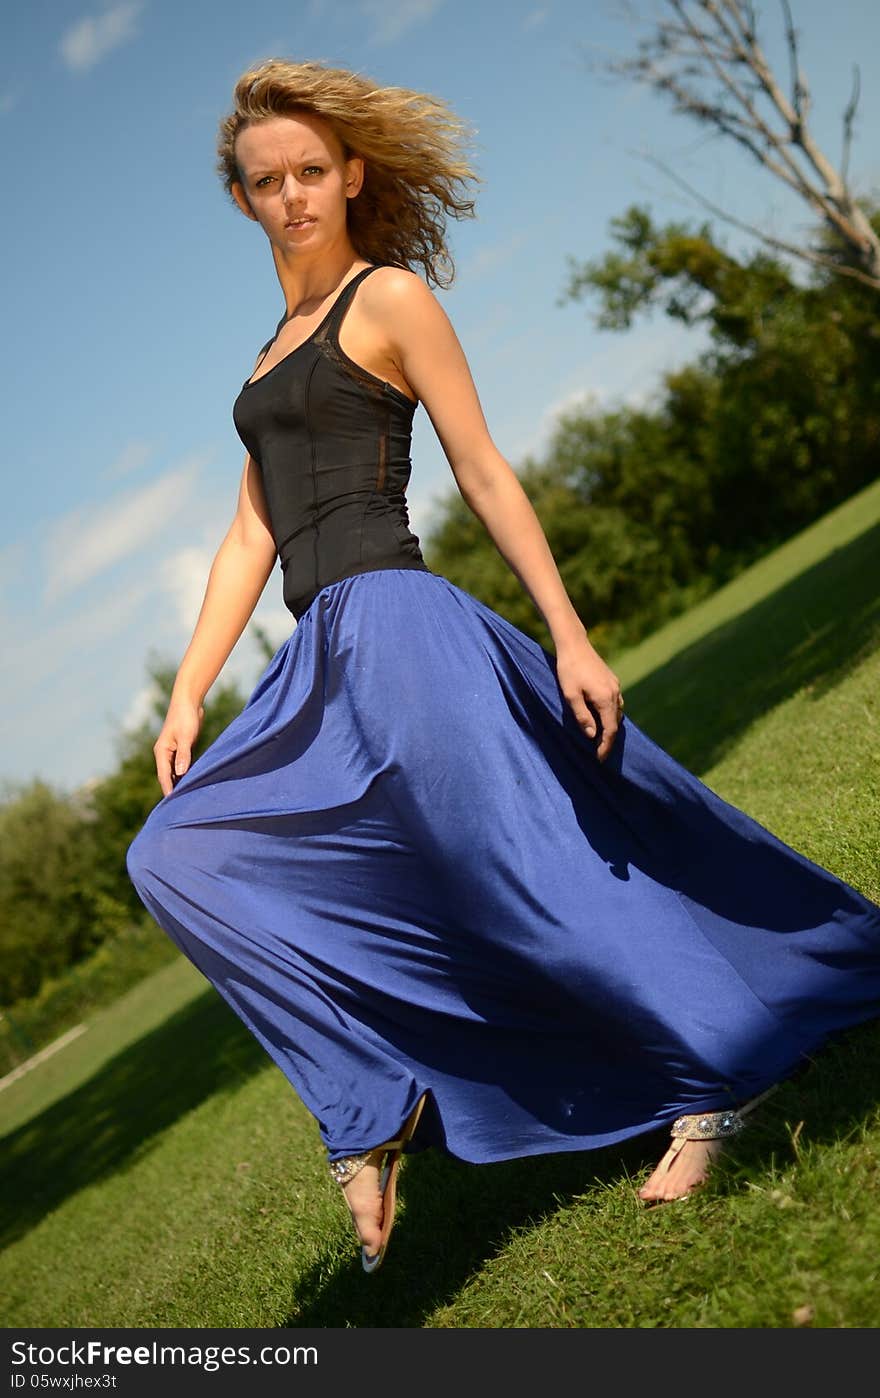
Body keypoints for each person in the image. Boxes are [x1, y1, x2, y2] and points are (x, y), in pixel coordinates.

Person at [126, 57, 880, 1274]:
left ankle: (717, 1079)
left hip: (404, 628)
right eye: (268, 182)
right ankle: (376, 1112)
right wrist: (185, 692)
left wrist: (570, 632)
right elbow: (249, 535)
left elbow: (481, 467)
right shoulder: (269, 355)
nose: (293, 196)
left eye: (312, 171)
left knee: (520, 874)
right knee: (178, 856)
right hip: (315, 662)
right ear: (243, 199)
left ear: (351, 172)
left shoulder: (390, 299)